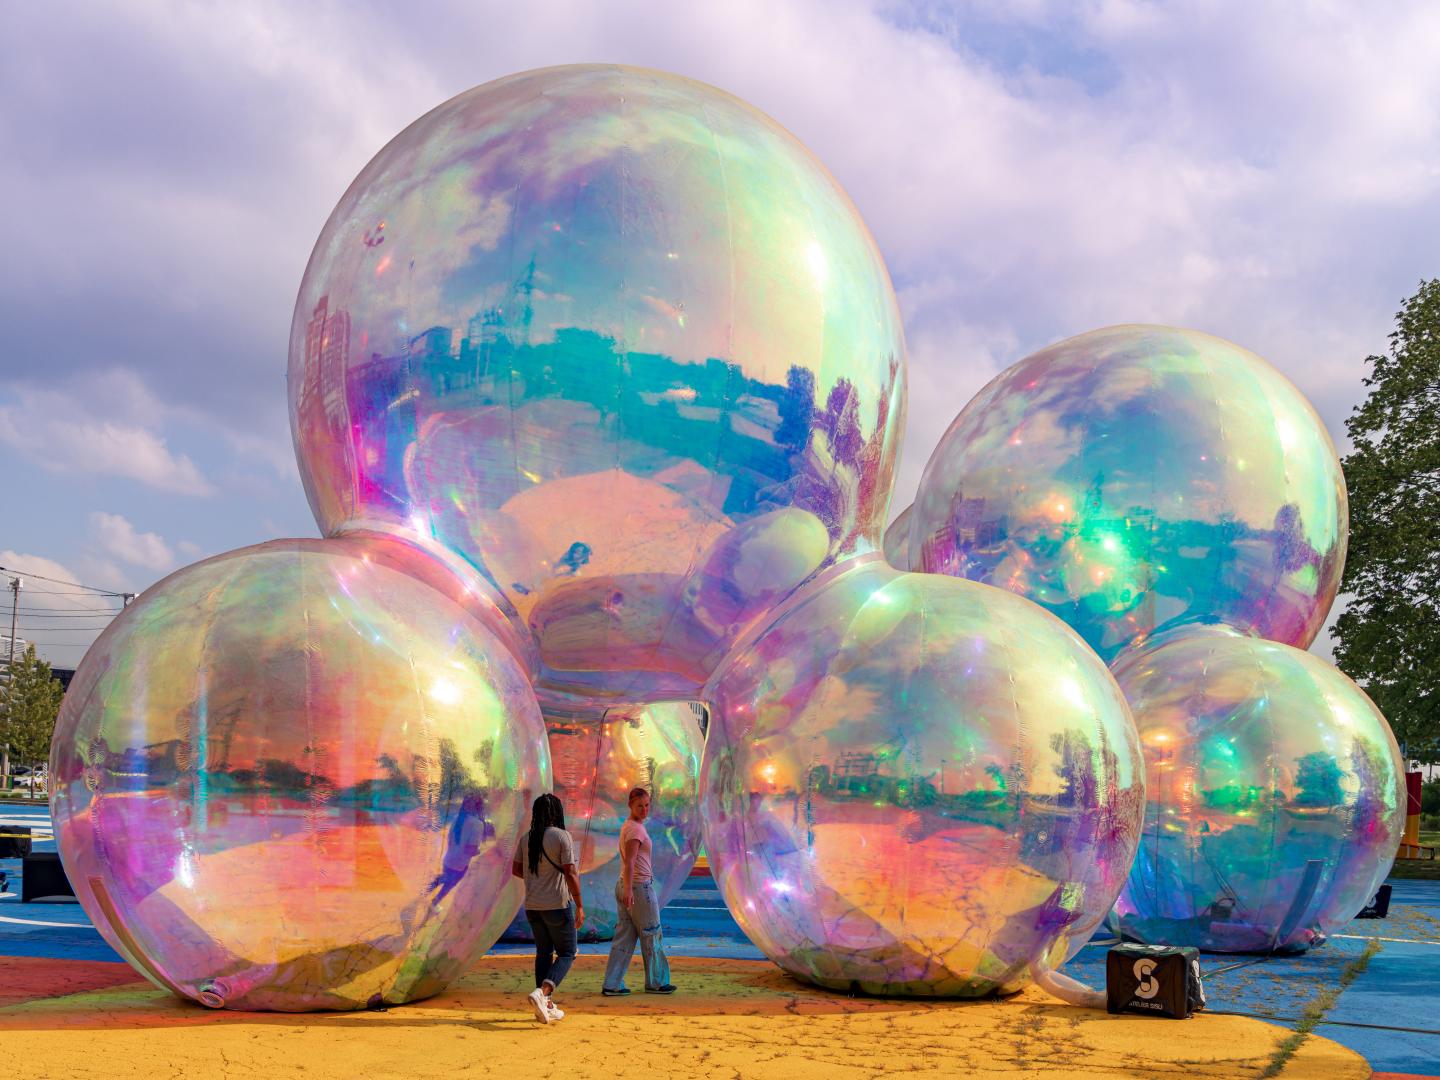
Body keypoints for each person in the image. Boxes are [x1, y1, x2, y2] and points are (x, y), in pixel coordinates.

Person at [511, 793, 585, 1024]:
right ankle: (542, 993)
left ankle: (547, 1004)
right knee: (567, 952)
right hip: (557, 904)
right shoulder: (562, 836)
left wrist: (537, 879)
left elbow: (516, 869)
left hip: (533, 906)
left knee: (544, 952)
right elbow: (570, 872)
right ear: (557, 813)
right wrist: (580, 904)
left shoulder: (527, 838)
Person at [601, 786, 675, 996]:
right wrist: (629, 890)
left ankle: (612, 983)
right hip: (638, 887)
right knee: (652, 933)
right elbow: (631, 862)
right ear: (630, 806)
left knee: (624, 936)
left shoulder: (630, 826)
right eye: (640, 806)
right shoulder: (635, 829)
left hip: (629, 885)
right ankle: (657, 982)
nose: (644, 809)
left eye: (647, 805)